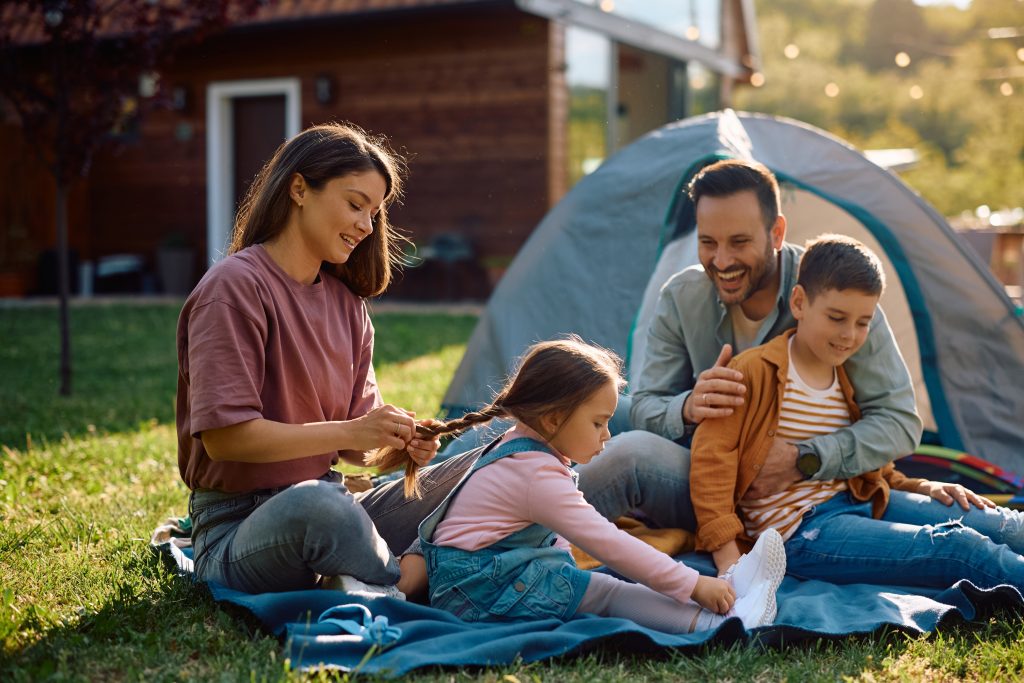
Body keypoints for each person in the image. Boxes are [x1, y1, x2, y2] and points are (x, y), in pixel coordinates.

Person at [177, 122, 476, 597]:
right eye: (355, 204)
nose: (366, 225)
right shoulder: (233, 288)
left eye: (374, 213)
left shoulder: (347, 306)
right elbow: (225, 439)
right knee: (320, 506)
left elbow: (358, 449)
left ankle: (365, 575)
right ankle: (403, 582)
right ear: (299, 189)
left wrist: (399, 446)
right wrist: (351, 433)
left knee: (488, 465)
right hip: (240, 529)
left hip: (337, 503)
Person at [575, 159, 923, 535]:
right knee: (589, 396)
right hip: (707, 460)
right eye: (708, 243)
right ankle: (518, 482)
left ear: (776, 233)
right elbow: (648, 403)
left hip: (765, 489)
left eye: (739, 242)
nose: (722, 261)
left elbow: (900, 423)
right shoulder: (683, 295)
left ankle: (526, 529)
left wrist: (803, 459)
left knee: (629, 455)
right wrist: (689, 406)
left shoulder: (829, 292)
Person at [381, 337, 788, 631]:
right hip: (483, 591)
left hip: (487, 574)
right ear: (554, 419)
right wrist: (692, 584)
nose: (607, 435)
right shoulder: (535, 476)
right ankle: (720, 621)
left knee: (600, 587)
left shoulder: (525, 449)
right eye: (598, 423)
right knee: (606, 591)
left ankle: (731, 588)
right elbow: (609, 542)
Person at [691, 235, 1024, 588]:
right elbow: (710, 462)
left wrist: (922, 486)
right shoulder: (752, 371)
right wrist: (726, 553)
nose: (849, 335)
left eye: (863, 323)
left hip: (865, 498)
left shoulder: (846, 376)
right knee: (959, 548)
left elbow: (866, 467)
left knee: (991, 520)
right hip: (806, 532)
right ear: (800, 302)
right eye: (836, 318)